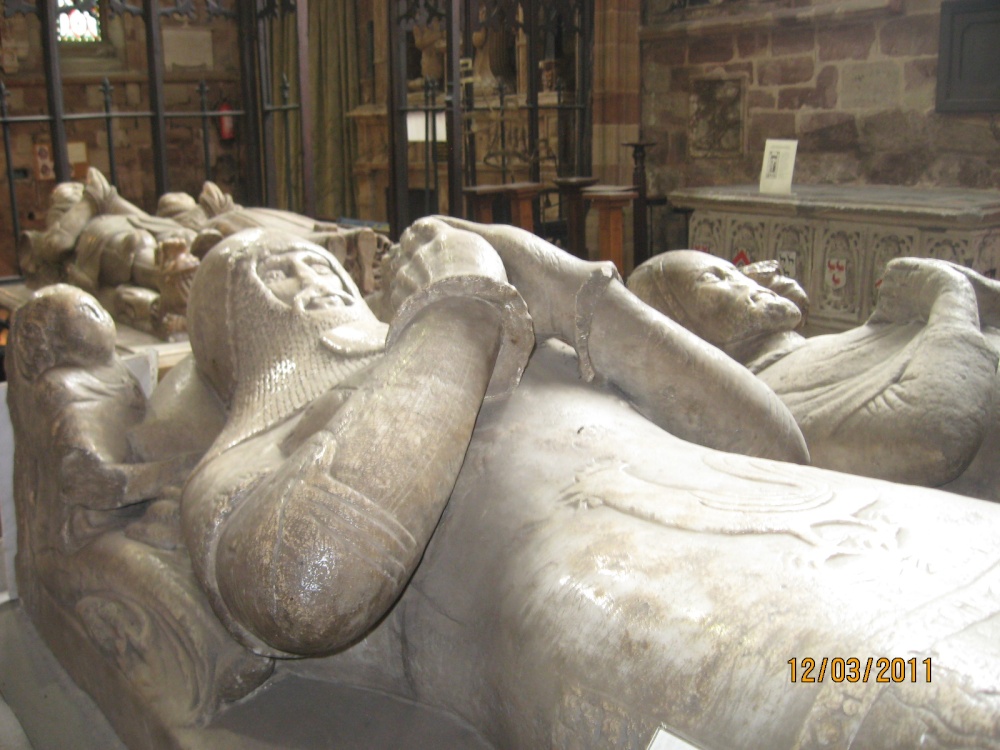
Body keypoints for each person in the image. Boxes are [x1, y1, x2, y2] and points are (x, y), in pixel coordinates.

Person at [14, 220, 1000, 749]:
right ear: (233, 344)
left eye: (313, 261)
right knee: (936, 702)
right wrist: (456, 308)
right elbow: (308, 588)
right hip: (648, 609)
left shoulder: (496, 333)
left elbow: (771, 443)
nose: (304, 278)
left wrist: (569, 289)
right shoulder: (268, 438)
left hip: (835, 524)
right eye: (263, 280)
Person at [628, 250, 1000, 495]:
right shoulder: (766, 409)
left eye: (734, 270)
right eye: (714, 279)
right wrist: (950, 294)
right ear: (680, 339)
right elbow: (933, 439)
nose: (747, 282)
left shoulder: (809, 352)